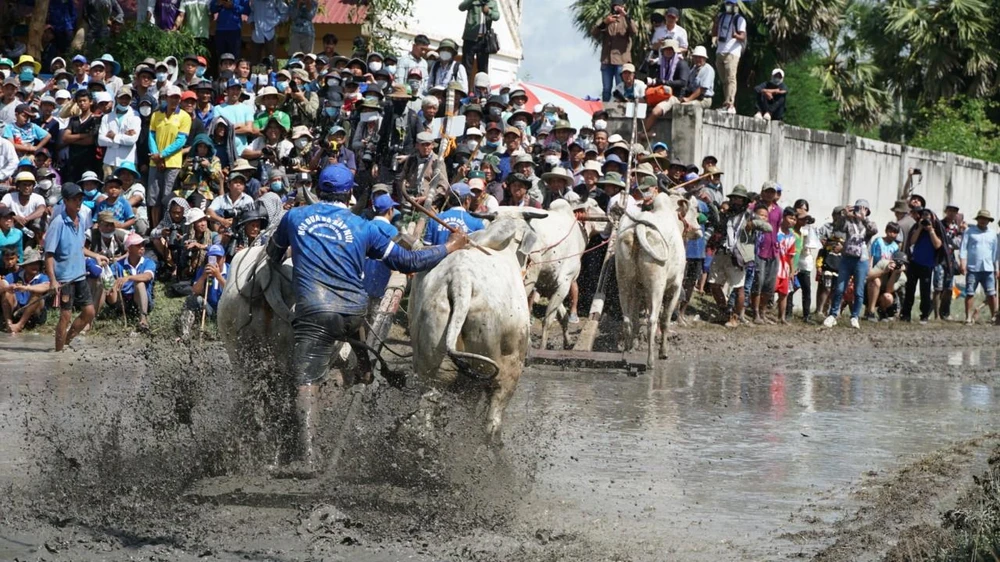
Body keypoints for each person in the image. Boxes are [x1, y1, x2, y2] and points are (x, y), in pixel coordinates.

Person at [266, 163, 469, 472]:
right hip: (354, 311)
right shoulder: (365, 227)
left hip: (315, 312)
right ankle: (364, 366)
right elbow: (407, 260)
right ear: (351, 195)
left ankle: (306, 460)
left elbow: (273, 253)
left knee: (305, 381)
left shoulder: (294, 217)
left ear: (316, 191)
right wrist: (450, 246)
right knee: (349, 320)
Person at [44, 183, 108, 351]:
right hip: (65, 278)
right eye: (74, 199)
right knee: (65, 316)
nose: (78, 203)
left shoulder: (80, 220)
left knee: (89, 312)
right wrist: (52, 281)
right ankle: (57, 354)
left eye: (80, 199)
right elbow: (49, 254)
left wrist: (96, 255)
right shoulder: (58, 223)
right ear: (65, 201)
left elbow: (80, 247)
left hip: (79, 275)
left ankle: (66, 341)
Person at [707, 185, 770, 327]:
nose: (736, 201)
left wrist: (752, 224)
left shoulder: (749, 215)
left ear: (745, 201)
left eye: (739, 199)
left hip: (738, 256)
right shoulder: (726, 214)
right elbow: (717, 225)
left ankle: (734, 317)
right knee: (714, 285)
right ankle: (725, 312)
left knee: (738, 288)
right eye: (734, 198)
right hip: (722, 252)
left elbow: (768, 228)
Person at [822, 200, 879, 328]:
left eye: (863, 209)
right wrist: (844, 215)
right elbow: (836, 230)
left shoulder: (869, 223)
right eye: (858, 208)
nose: (859, 211)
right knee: (840, 288)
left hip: (862, 260)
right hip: (847, 259)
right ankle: (833, 314)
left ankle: (855, 316)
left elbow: (874, 230)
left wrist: (864, 219)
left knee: (859, 290)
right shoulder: (848, 222)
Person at [149, 86, 191, 230]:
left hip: (173, 162)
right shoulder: (156, 115)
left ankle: (167, 228)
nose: (174, 100)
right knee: (154, 199)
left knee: (168, 198)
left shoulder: (185, 116)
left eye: (177, 98)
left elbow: (180, 141)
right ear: (166, 97)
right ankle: (155, 229)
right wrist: (156, 156)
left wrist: (161, 155)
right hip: (155, 161)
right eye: (172, 97)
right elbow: (151, 136)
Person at [106, 232, 156, 332]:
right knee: (111, 285)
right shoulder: (117, 266)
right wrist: (113, 285)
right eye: (138, 245)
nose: (142, 247)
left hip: (142, 300)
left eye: (143, 245)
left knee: (140, 283)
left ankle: (143, 319)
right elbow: (107, 286)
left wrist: (128, 278)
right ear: (129, 248)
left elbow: (147, 276)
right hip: (123, 301)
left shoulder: (148, 262)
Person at [179, 243, 228, 339]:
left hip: (226, 311)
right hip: (209, 308)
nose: (216, 261)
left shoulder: (231, 269)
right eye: (212, 257)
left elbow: (232, 291)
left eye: (218, 257)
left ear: (224, 258)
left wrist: (218, 276)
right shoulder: (204, 270)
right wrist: (203, 276)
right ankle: (185, 333)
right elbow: (195, 291)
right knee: (192, 299)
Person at [592, 0, 637, 103]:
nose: (617, 8)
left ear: (623, 6)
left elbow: (634, 31)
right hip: (606, 60)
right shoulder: (607, 18)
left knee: (620, 88)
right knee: (606, 89)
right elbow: (594, 33)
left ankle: (620, 110)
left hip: (621, 60)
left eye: (619, 6)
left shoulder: (627, 19)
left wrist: (625, 15)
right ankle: (605, 112)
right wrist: (605, 23)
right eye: (615, 6)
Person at [959, 209, 998, 325]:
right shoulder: (969, 232)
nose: (983, 221)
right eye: (981, 218)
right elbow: (963, 248)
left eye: (985, 219)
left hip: (988, 268)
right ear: (978, 219)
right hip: (973, 268)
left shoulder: (992, 234)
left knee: (991, 294)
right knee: (970, 293)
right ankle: (968, 317)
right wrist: (962, 263)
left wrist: (997, 268)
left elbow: (995, 253)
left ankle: (994, 317)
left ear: (988, 221)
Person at [1, 247, 50, 333]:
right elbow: (2, 284)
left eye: (37, 264)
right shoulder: (14, 275)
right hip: (18, 310)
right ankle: (9, 323)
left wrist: (27, 288)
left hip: (35, 314)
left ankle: (20, 325)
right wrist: (7, 287)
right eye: (31, 264)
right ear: (25, 265)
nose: (35, 266)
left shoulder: (42, 277)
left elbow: (46, 286)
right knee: (6, 293)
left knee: (36, 294)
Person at [362, 193, 399, 307]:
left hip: (361, 285)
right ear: (390, 210)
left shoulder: (363, 226)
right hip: (381, 286)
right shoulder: (393, 232)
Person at [711, 0, 747, 114]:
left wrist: (735, 35)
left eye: (731, 4)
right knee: (724, 80)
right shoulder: (721, 17)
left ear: (735, 6)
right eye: (727, 4)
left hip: (732, 51)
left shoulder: (739, 19)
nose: (729, 7)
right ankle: (726, 102)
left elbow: (743, 36)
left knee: (731, 77)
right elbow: (714, 34)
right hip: (720, 50)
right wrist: (715, 23)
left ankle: (730, 104)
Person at [98, 89, 141, 173]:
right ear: (116, 98)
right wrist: (123, 137)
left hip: (128, 160)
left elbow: (132, 140)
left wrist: (114, 136)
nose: (124, 101)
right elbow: (101, 140)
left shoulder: (135, 115)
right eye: (121, 98)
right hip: (109, 161)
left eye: (127, 98)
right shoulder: (106, 117)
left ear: (131, 100)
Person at [2, 171, 47, 244]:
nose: (27, 187)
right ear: (18, 186)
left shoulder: (38, 197)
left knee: (38, 222)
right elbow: (1, 206)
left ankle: (38, 244)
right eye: (24, 185)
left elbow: (42, 209)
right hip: (13, 226)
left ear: (33, 186)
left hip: (30, 228)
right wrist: (14, 217)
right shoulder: (9, 196)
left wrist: (26, 219)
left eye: (29, 185)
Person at [459, 0, 500, 75]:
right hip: (470, 38)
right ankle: (464, 85)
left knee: (483, 69)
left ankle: (480, 86)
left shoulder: (492, 2)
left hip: (484, 40)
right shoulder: (473, 1)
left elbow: (497, 16)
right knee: (466, 68)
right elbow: (461, 7)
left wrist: (489, 11)